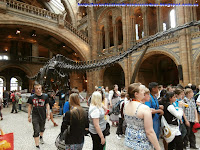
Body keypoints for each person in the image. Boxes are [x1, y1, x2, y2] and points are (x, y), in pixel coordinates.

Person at [124, 83, 160, 150]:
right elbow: (149, 132)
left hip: (129, 142)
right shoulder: (144, 108)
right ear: (136, 94)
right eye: (142, 90)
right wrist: (158, 148)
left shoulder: (126, 105)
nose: (144, 91)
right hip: (142, 144)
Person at [27, 83, 50, 149]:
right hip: (35, 115)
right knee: (36, 130)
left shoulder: (45, 96)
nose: (38, 90)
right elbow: (30, 106)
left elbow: (47, 105)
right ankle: (37, 145)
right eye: (37, 88)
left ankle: (41, 137)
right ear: (34, 89)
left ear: (41, 88)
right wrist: (29, 116)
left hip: (43, 115)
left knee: (42, 128)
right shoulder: (32, 97)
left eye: (39, 88)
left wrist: (48, 114)